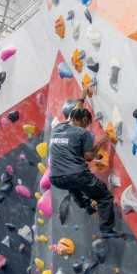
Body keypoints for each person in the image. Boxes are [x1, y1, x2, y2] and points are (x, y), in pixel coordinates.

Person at [49, 92, 118, 238]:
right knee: (104, 196)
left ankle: (87, 206)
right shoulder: (83, 133)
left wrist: (84, 95)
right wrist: (103, 140)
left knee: (73, 186)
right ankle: (106, 229)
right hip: (76, 174)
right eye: (88, 123)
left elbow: (75, 111)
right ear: (85, 119)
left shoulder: (58, 128)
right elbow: (89, 157)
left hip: (56, 178)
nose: (88, 126)